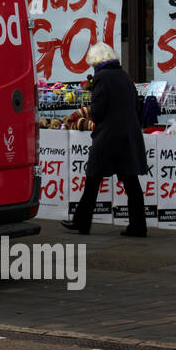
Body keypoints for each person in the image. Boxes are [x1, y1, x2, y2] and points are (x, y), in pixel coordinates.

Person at [62, 43, 148, 236]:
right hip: (128, 135)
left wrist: (92, 115)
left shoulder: (101, 78)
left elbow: (98, 111)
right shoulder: (125, 76)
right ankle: (138, 226)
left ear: (96, 61)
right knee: (131, 182)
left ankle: (82, 223)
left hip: (108, 137)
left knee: (93, 180)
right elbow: (136, 106)